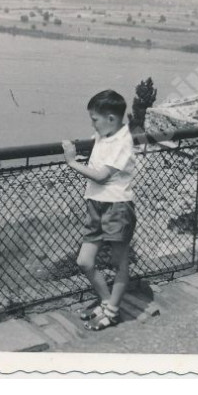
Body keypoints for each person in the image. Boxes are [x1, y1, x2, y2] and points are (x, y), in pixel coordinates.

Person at [62, 89, 137, 330]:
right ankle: (106, 302)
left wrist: (72, 162)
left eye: (95, 119)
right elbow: (98, 149)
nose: (92, 123)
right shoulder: (105, 133)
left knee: (118, 262)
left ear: (111, 119)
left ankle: (112, 312)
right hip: (95, 203)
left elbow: (103, 176)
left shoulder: (123, 141)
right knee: (84, 261)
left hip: (117, 206)